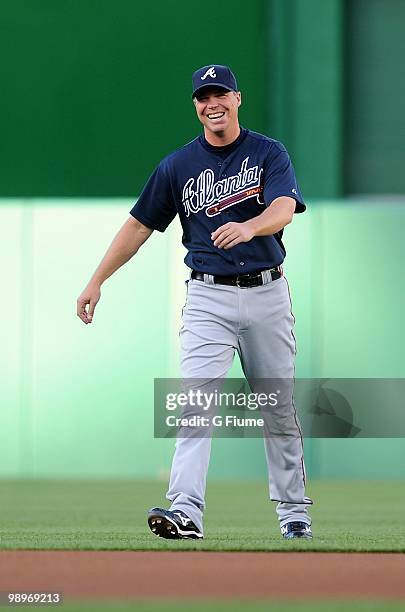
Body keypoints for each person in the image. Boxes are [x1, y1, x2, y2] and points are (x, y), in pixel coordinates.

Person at [77, 64, 313, 541]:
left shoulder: (268, 152)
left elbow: (285, 206)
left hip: (267, 293)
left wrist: (250, 226)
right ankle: (185, 510)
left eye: (220, 93)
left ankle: (293, 513)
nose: (213, 104)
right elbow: (139, 226)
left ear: (238, 98)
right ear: (196, 106)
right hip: (207, 295)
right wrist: (96, 279)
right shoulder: (178, 166)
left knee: (278, 407)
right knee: (195, 404)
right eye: (204, 97)